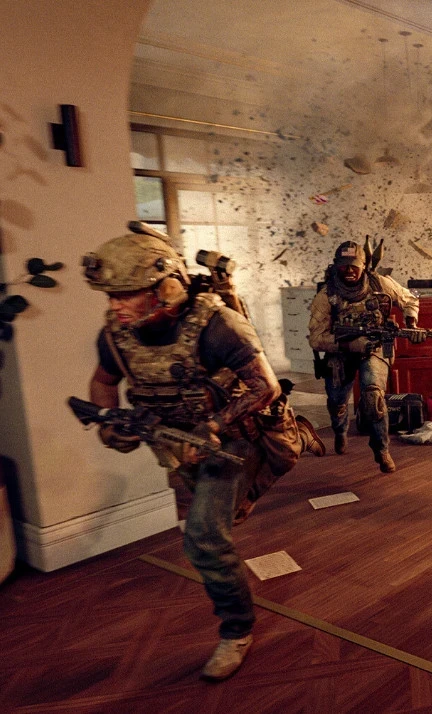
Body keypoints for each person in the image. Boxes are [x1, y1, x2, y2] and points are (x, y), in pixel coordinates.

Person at [84, 226, 321, 681]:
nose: (114, 305)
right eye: (111, 295)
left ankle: (237, 630)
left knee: (203, 536)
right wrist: (111, 423)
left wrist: (211, 427)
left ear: (165, 287)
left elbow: (265, 387)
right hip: (179, 444)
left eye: (126, 294)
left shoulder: (217, 325)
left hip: (234, 436)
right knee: (222, 515)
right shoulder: (117, 334)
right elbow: (103, 381)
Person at [307, 240, 421, 473]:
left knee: (373, 398)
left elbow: (409, 299)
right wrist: (350, 344)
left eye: (354, 266)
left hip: (374, 348)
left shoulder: (379, 283)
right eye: (344, 266)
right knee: (337, 402)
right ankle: (340, 430)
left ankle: (382, 451)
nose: (349, 270)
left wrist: (411, 323)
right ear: (336, 266)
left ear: (363, 266)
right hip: (340, 351)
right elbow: (316, 338)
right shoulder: (327, 295)